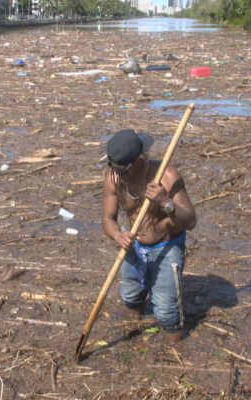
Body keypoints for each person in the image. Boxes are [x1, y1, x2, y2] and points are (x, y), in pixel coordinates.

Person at [102, 129, 197, 343]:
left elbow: (190, 221)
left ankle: (175, 358)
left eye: (121, 169)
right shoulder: (114, 178)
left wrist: (166, 203)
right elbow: (108, 220)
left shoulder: (167, 176)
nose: (117, 174)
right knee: (131, 297)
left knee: (166, 310)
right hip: (134, 246)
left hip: (167, 246)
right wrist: (119, 237)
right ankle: (131, 343)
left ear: (138, 161)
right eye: (113, 168)